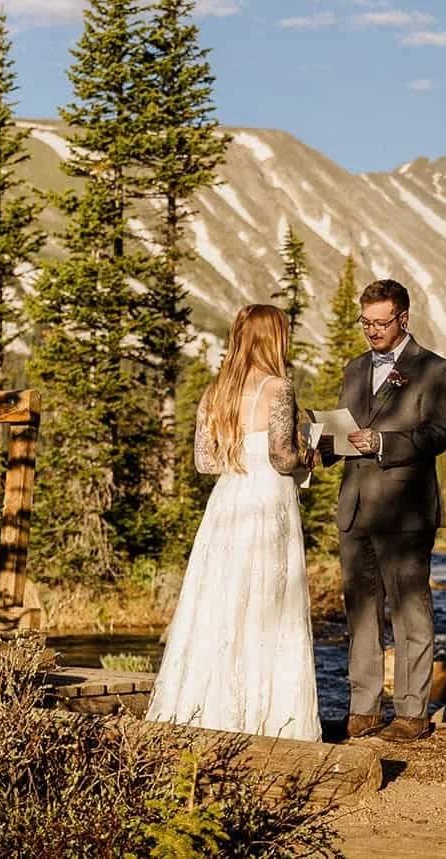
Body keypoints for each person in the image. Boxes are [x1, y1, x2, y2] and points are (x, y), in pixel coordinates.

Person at [145, 304, 321, 742]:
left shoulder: (215, 391)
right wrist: (307, 453)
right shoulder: (279, 388)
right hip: (267, 500)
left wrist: (239, 454)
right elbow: (282, 458)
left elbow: (204, 462)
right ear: (273, 339)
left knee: (219, 603)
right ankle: (269, 721)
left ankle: (204, 713)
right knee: (269, 605)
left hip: (227, 501)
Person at [319, 279, 446, 743]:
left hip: (406, 512)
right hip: (355, 509)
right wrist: (322, 445)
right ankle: (363, 710)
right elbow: (347, 432)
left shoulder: (435, 369)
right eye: (366, 322)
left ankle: (412, 713)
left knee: (410, 613)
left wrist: (382, 442)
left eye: (381, 322)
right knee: (360, 614)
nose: (373, 331)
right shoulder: (355, 368)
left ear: (404, 318)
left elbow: (437, 435)